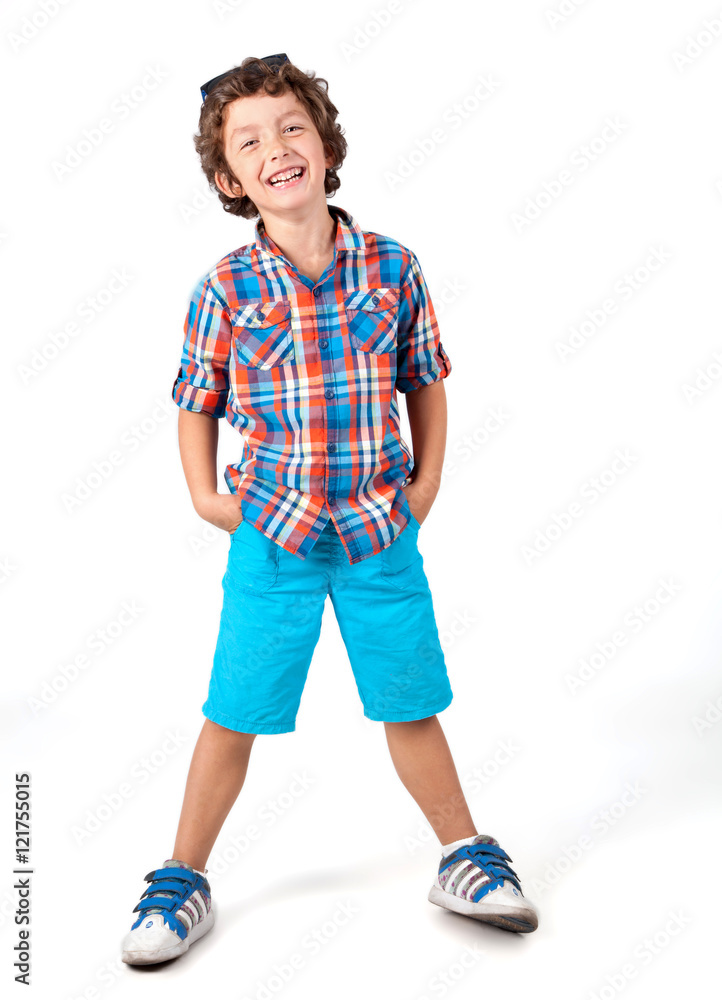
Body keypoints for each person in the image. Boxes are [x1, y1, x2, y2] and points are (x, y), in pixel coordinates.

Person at [121, 53, 538, 966]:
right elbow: (197, 397)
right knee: (235, 709)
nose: (277, 148)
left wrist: (423, 488)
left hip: (380, 535)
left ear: (324, 141)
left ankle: (463, 853)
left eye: (291, 126)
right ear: (231, 178)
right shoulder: (226, 288)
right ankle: (181, 877)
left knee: (410, 699)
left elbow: (424, 379)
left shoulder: (392, 267)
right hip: (273, 539)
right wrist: (206, 497)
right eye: (251, 141)